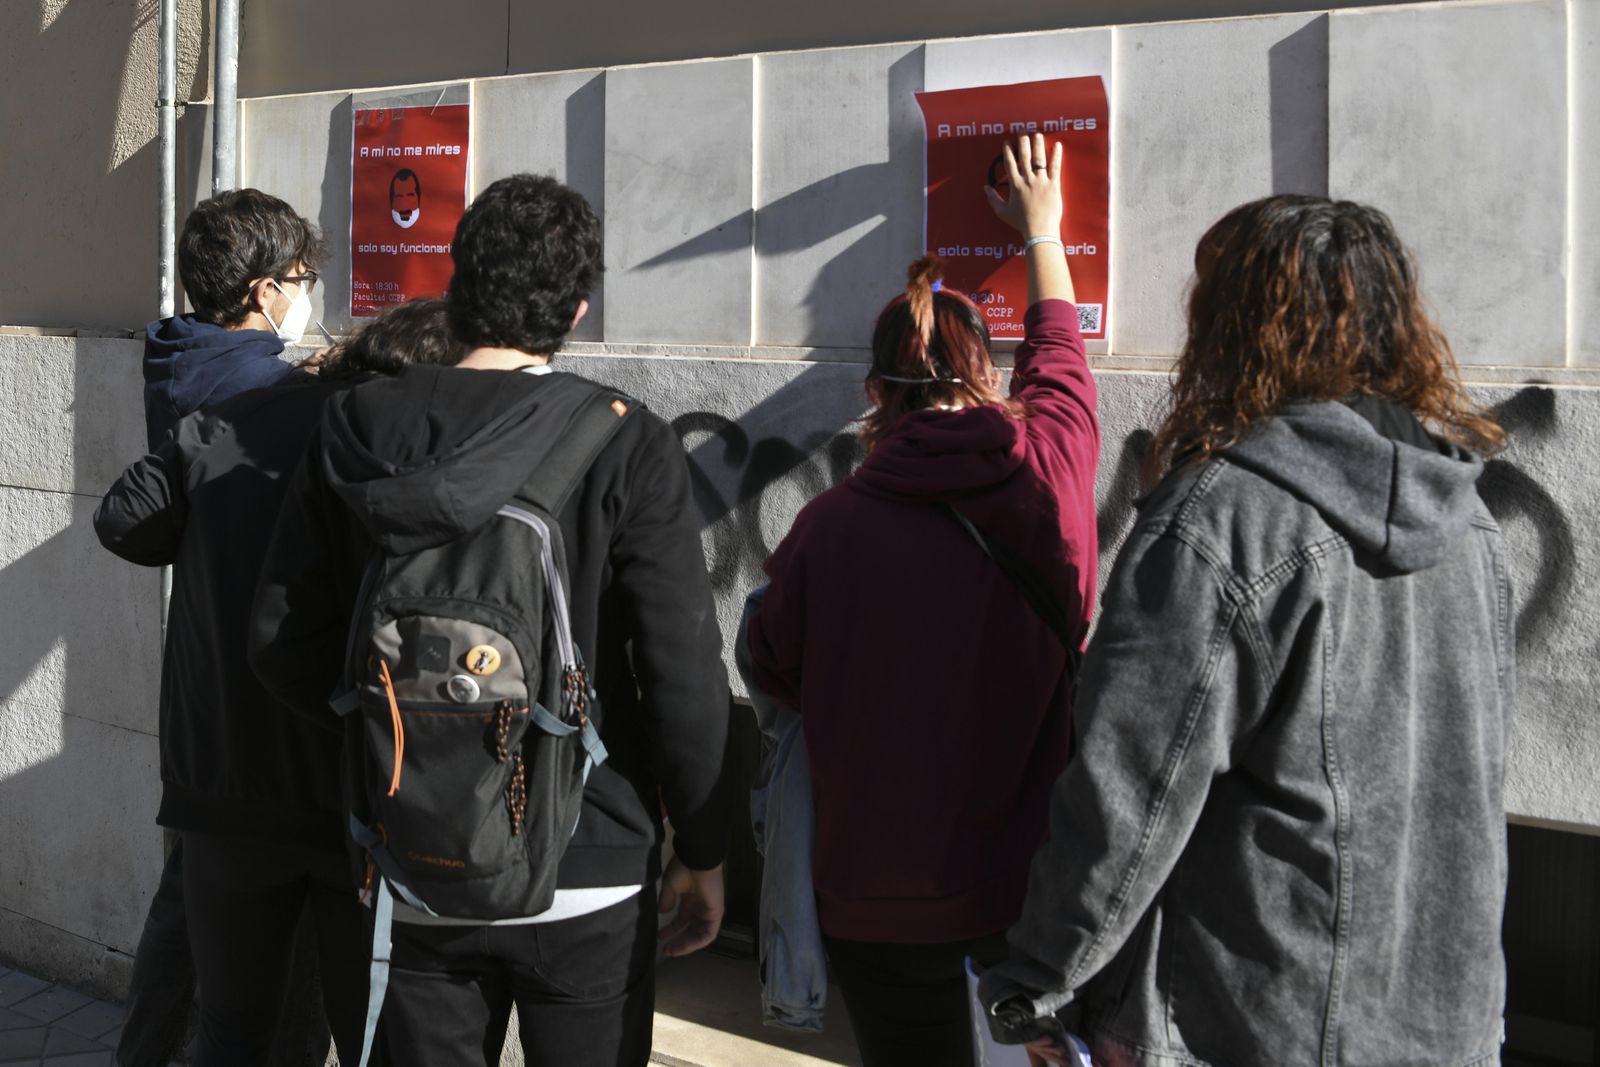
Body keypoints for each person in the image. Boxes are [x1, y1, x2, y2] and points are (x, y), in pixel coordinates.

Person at [979, 195, 1514, 1067]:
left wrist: (1038, 977)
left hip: (1250, 1020)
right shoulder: (1472, 521)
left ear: (1234, 328)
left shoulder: (1222, 517)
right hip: (1445, 1017)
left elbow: (1129, 790)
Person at [248, 173, 733, 1067]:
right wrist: (703, 847)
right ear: (577, 309)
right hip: (587, 860)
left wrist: (404, 743)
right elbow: (681, 676)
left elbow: (281, 638)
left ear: (458, 282)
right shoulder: (626, 440)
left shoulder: (355, 424)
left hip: (408, 854)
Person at [744, 133, 1101, 1067]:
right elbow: (1060, 355)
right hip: (1030, 895)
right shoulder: (1049, 476)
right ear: (989, 373)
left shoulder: (829, 527)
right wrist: (1041, 230)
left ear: (872, 392)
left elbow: (770, 667)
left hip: (876, 901)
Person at [96, 298, 464, 1066]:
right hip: (349, 796)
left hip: (223, 782)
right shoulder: (393, 448)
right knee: (364, 1030)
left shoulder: (231, 421)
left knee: (232, 1031)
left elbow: (123, 518)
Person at [118, 187, 326, 1067]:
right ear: (263, 288)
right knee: (278, 963)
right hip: (274, 703)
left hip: (205, 702)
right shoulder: (256, 389)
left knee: (188, 903)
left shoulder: (183, 362)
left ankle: (141, 1054)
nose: (309, 293)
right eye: (303, 278)